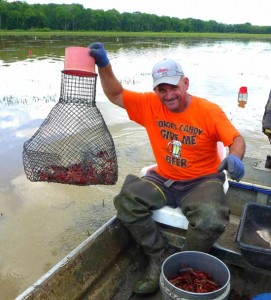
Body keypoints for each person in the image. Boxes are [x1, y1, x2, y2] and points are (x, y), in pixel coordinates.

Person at [89, 42, 246, 295]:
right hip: (164, 178)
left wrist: (235, 157)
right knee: (127, 201)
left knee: (211, 218)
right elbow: (116, 94)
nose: (168, 94)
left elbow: (236, 140)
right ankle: (159, 257)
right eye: (161, 89)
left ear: (185, 83)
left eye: (173, 86)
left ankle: (186, 264)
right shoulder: (150, 105)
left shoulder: (209, 111)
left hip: (202, 181)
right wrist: (104, 65)